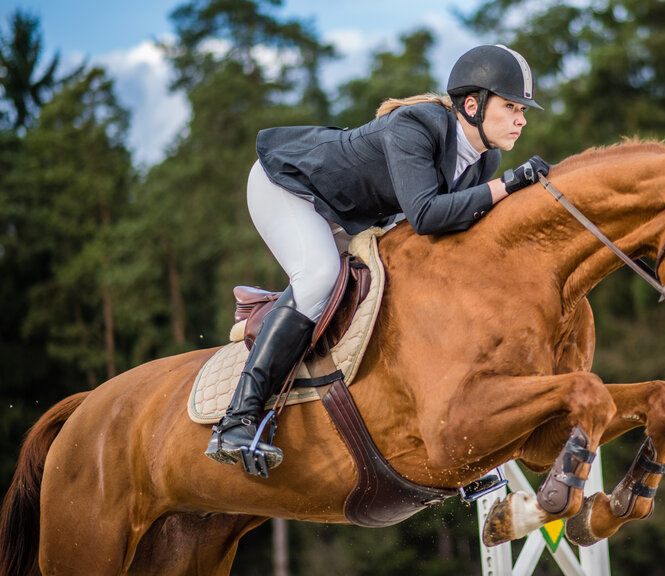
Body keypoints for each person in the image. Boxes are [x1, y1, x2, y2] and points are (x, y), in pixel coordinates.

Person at [205, 44, 551, 475]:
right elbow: (425, 216)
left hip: (352, 215)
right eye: (512, 106)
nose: (521, 119)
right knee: (319, 277)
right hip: (289, 187)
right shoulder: (418, 124)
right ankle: (238, 420)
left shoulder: (486, 160)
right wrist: (509, 185)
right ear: (472, 104)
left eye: (523, 110)